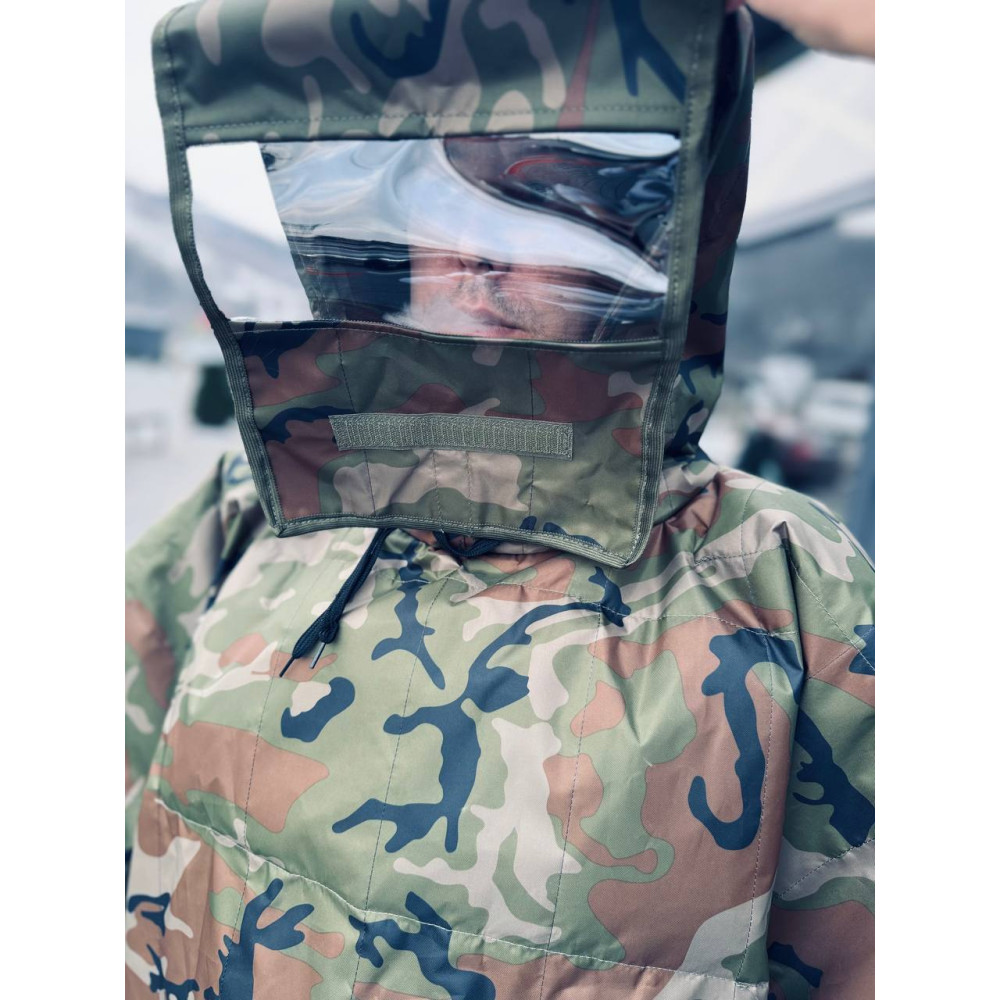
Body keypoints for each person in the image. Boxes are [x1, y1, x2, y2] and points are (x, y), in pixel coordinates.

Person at [126, 2, 873, 998]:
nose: (474, 251)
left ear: (642, 242)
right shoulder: (253, 507)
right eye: (437, 207)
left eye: (536, 202)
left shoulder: (782, 576)